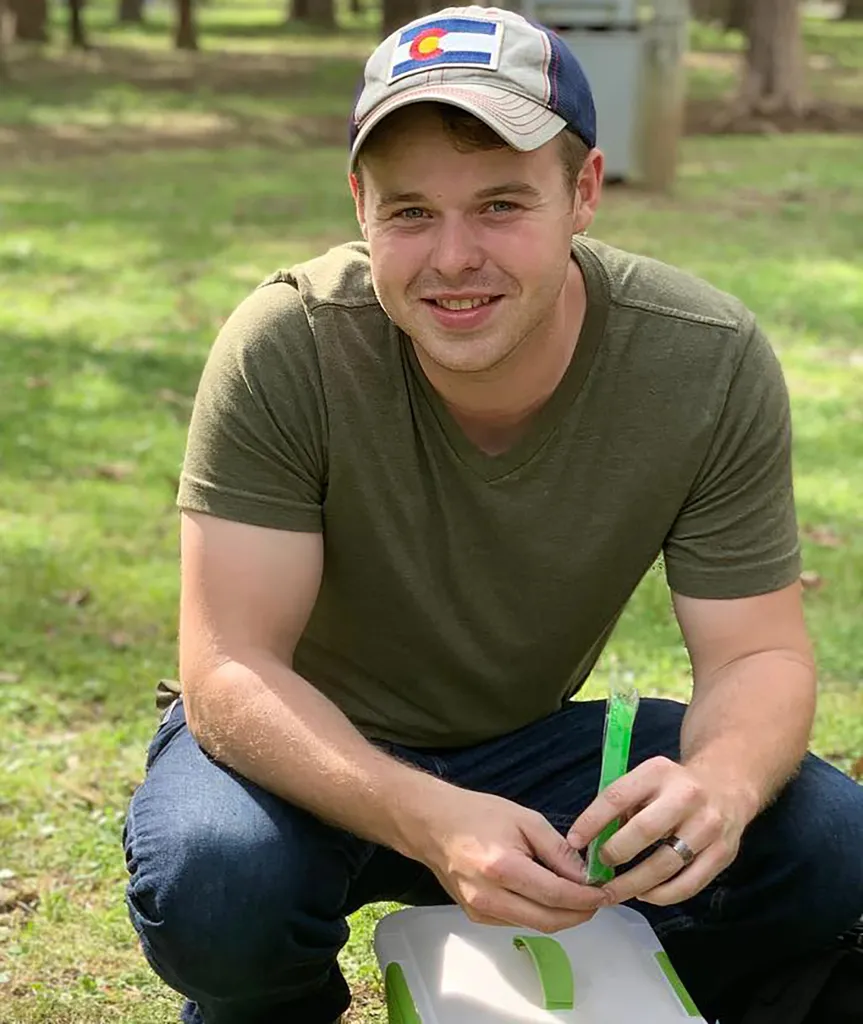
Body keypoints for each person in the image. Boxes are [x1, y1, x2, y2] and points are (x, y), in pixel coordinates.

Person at [121, 6, 863, 1024]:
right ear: (358, 204)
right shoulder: (287, 343)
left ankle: (653, 996)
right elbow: (230, 669)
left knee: (827, 842)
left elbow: (757, 657)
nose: (452, 258)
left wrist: (721, 787)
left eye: (501, 204)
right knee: (216, 880)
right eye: (411, 211)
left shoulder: (702, 359)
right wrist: (428, 818)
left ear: (583, 193)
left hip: (522, 745)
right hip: (293, 749)